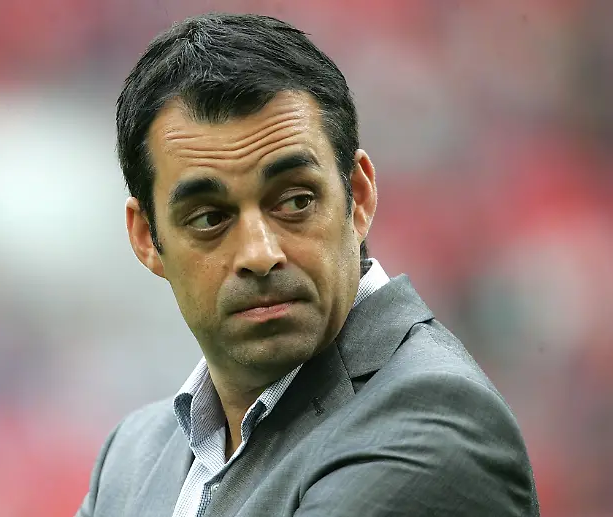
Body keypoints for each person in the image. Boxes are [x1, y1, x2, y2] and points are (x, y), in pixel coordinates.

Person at [76, 13, 540, 517]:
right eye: (210, 218)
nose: (259, 253)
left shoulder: (431, 427)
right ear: (147, 238)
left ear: (358, 196)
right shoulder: (129, 460)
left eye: (295, 201)